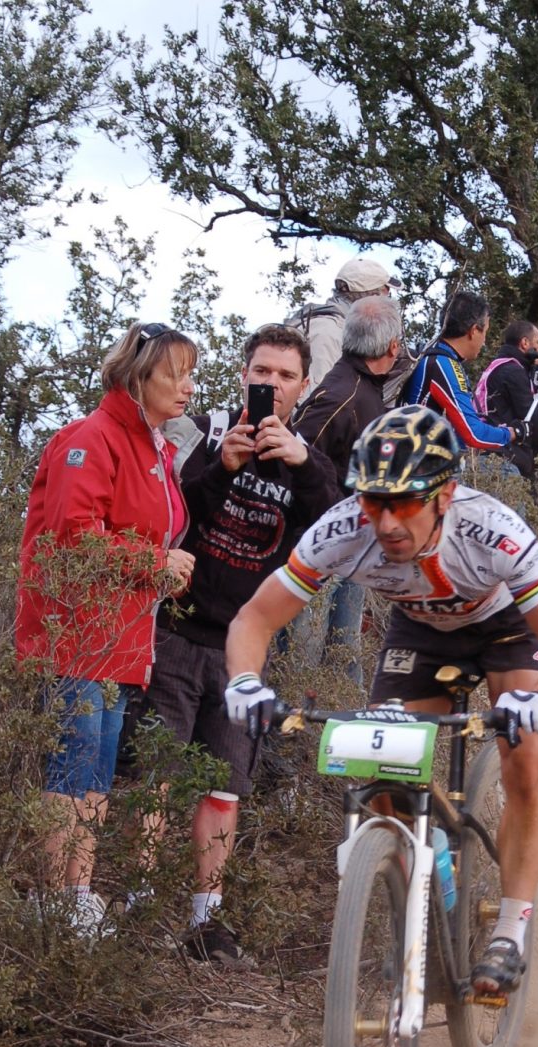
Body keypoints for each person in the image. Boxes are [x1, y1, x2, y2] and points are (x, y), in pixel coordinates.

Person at [222, 406, 538, 995]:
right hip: (419, 630)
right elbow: (256, 618)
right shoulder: (344, 529)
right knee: (384, 774)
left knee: (520, 752)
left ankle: (511, 926)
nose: (387, 522)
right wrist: (245, 681)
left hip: (505, 627)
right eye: (374, 501)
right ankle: (431, 873)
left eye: (406, 503)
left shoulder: (492, 529)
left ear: (445, 496)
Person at [130, 323, 340, 966]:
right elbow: (169, 511)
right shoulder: (205, 431)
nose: (269, 384)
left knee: (224, 784)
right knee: (153, 778)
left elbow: (333, 532)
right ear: (243, 372)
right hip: (173, 630)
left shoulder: (312, 459)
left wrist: (301, 465)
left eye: (283, 376)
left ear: (303, 388)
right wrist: (224, 468)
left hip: (243, 650)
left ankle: (206, 920)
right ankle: (139, 905)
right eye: (261, 371)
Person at [15, 321, 200, 936]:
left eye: (191, 375)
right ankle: (55, 903)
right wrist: (157, 564)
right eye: (176, 375)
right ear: (136, 376)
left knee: (95, 770)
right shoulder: (90, 439)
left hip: (120, 640)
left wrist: (167, 566)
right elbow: (73, 535)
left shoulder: (155, 449)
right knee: (72, 766)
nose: (188, 388)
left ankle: (79, 897)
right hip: (73, 636)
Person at [289, 296, 403, 685]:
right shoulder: (341, 396)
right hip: (321, 547)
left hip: (352, 544)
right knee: (303, 660)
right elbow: (294, 460)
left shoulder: (366, 391)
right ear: (392, 346)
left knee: (344, 652)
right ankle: (292, 742)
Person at [403, 290, 527, 454]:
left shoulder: (433, 354)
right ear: (474, 330)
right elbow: (473, 434)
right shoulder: (444, 365)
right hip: (417, 466)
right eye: (485, 332)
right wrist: (513, 433)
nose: (484, 341)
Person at [287, 255, 404, 397]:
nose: (389, 303)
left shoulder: (340, 328)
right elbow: (314, 399)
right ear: (370, 298)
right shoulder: (327, 333)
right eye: (387, 295)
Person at [473, 319, 538, 480]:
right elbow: (532, 421)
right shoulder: (513, 372)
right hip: (504, 462)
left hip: (488, 454)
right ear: (525, 342)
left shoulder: (499, 365)